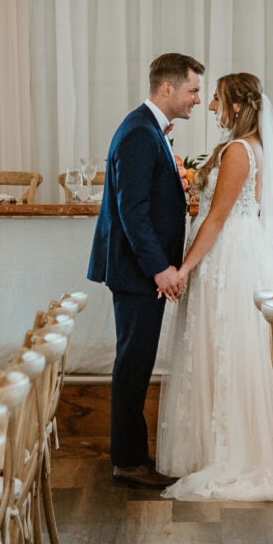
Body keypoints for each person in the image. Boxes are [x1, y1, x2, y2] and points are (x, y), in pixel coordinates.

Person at [154, 72, 273, 500]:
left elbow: (217, 217)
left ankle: (237, 451)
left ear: (239, 106)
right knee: (226, 350)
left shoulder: (239, 152)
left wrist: (186, 267)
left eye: (217, 100)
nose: (210, 107)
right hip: (236, 252)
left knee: (230, 349)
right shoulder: (251, 149)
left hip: (229, 257)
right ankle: (223, 445)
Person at [85, 51, 202, 489]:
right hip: (137, 273)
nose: (195, 99)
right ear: (167, 88)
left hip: (139, 272)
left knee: (136, 362)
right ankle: (129, 461)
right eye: (192, 90)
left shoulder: (148, 128)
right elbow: (132, 212)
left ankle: (131, 456)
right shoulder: (139, 132)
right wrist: (159, 269)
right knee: (133, 364)